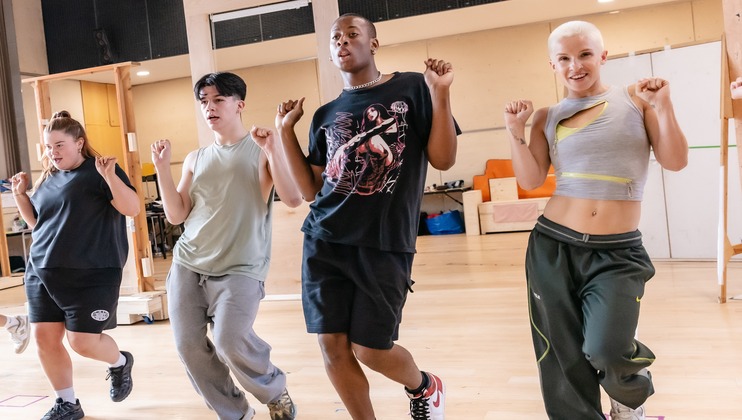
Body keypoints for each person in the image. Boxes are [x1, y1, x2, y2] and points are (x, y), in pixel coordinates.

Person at [275, 13, 459, 420]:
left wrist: (441, 95)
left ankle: (424, 387)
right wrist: (285, 131)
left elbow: (443, 159)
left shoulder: (412, 86)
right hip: (324, 239)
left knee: (371, 348)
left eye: (352, 34)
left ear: (373, 43)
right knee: (332, 346)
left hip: (384, 240)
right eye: (335, 38)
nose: (342, 42)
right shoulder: (325, 115)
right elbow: (311, 190)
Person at [503, 21, 688, 420]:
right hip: (553, 245)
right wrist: (515, 133)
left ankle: (628, 400)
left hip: (617, 252)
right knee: (561, 353)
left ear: (602, 56)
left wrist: (664, 105)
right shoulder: (546, 117)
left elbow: (675, 161)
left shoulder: (636, 100)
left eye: (585, 54)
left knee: (605, 346)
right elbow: (532, 179)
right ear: (552, 64)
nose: (576, 65)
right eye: (564, 58)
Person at [150, 71, 302, 420]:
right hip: (189, 263)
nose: (210, 107)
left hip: (240, 267)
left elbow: (292, 197)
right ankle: (234, 413)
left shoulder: (259, 149)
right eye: (204, 101)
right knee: (189, 347)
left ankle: (273, 389)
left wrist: (274, 146)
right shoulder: (195, 158)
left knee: (229, 341)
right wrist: (162, 170)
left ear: (239, 104)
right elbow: (177, 215)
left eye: (218, 99)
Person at [10, 110, 140, 420]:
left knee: (82, 342)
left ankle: (120, 362)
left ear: (79, 143)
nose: (52, 153)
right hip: (42, 271)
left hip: (91, 274)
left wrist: (110, 176)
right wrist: (19, 195)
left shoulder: (100, 171)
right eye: (48, 147)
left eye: (59, 145)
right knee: (44, 338)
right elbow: (38, 224)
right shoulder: (48, 179)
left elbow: (132, 208)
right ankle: (66, 403)